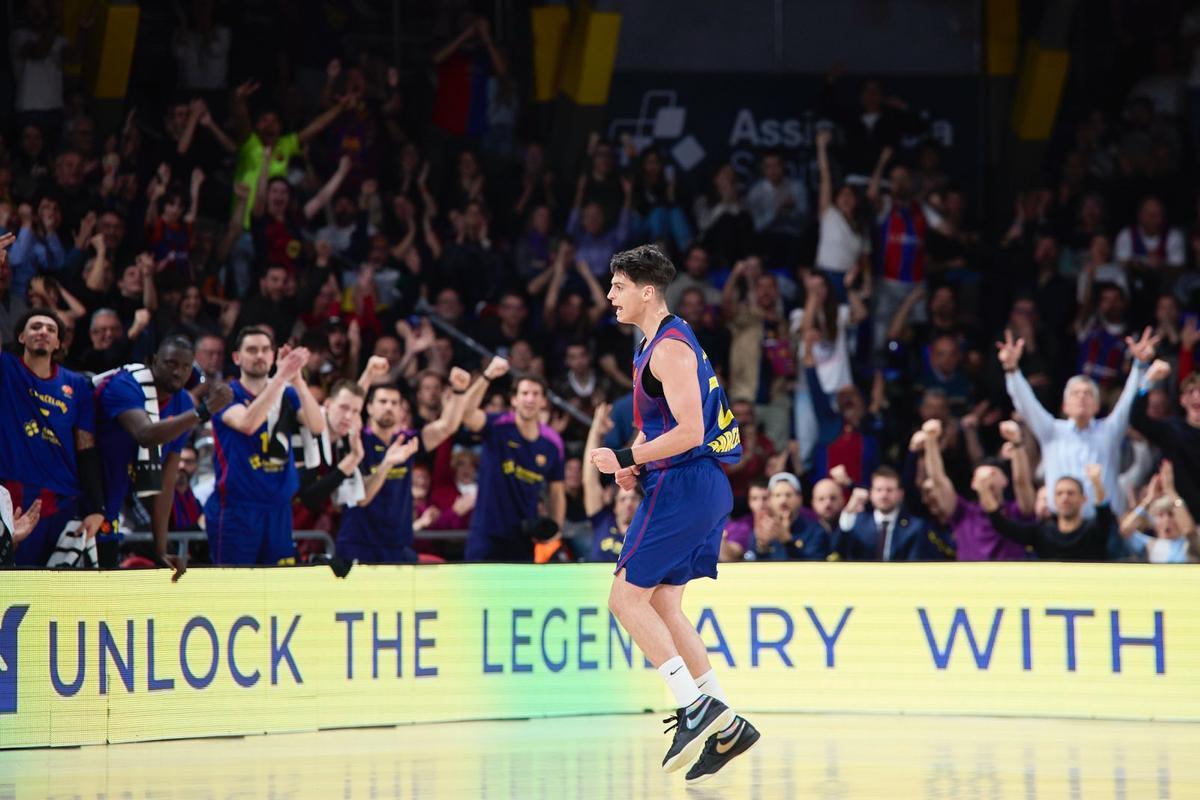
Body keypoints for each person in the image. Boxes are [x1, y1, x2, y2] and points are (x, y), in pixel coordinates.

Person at [588, 245, 758, 784]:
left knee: (624, 597)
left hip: (686, 483)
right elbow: (663, 421)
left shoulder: (668, 349)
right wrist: (634, 460)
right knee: (663, 603)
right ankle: (726, 720)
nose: (610, 295)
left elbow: (690, 431)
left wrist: (626, 456)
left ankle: (692, 704)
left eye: (617, 286)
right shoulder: (657, 344)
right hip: (696, 486)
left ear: (646, 291)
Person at [93, 336, 232, 572]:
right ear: (152, 361)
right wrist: (204, 411)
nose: (178, 372)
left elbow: (166, 482)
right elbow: (145, 434)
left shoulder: (182, 405)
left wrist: (161, 550)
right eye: (171, 364)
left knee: (104, 574)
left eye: (186, 366)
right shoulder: (125, 384)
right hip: (85, 492)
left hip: (115, 498)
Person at [999, 327, 1157, 515]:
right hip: (1060, 527)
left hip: (1103, 529)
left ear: (1097, 406)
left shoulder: (1110, 431)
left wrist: (1139, 364)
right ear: (1065, 406)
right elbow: (1027, 405)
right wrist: (1012, 370)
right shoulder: (1052, 431)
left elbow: (1128, 400)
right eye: (1076, 393)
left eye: (1088, 394)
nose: (1082, 397)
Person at [336, 360, 477, 563]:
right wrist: (368, 374)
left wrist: (458, 391)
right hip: (359, 542)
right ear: (369, 407)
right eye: (383, 402)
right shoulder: (357, 439)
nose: (389, 407)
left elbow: (447, 427)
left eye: (395, 403)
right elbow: (351, 409)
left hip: (397, 544)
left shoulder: (407, 441)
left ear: (402, 410)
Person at [205, 327, 323, 565]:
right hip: (236, 511)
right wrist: (281, 378)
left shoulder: (287, 392)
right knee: (236, 593)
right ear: (237, 357)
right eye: (251, 350)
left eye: (265, 350)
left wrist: (297, 379)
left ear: (273, 355)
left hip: (278, 509)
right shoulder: (225, 394)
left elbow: (317, 426)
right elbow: (248, 423)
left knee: (276, 594)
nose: (259, 355)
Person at [0, 304, 105, 566]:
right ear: (21, 337)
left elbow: (86, 446)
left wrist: (96, 508)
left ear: (58, 342)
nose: (43, 332)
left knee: (59, 590)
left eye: (51, 329)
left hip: (63, 498)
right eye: (35, 327)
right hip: (14, 493)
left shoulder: (77, 385)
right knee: (14, 579)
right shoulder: (5, 369)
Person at [461, 361, 566, 561]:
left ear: (544, 401)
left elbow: (557, 491)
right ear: (514, 400)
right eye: (524, 393)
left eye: (536, 394)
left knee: (518, 592)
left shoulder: (553, 443)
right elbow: (465, 414)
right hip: (486, 532)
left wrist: (555, 530)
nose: (530, 399)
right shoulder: (497, 425)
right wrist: (487, 376)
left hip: (524, 536)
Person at [919, 418, 1033, 561]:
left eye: (993, 473)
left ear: (1005, 480)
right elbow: (938, 480)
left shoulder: (1016, 512)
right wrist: (930, 441)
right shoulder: (963, 513)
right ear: (973, 483)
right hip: (969, 580)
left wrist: (1017, 443)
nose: (987, 478)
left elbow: (1022, 482)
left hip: (1009, 580)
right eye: (980, 475)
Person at [979, 463, 1115, 561]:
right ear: (1053, 500)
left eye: (1071, 493)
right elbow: (1002, 525)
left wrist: (1096, 482)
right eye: (1059, 493)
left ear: (1083, 499)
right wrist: (983, 487)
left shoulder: (1093, 530)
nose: (1065, 497)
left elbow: (1104, 513)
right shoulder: (1042, 532)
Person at [1131, 360, 1200, 511]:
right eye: (1191, 391)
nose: (1197, 396)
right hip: (1176, 516)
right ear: (1182, 400)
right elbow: (1138, 420)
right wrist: (1148, 381)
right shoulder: (1172, 429)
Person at [834, 466, 944, 561]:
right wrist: (848, 511)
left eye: (889, 490)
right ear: (871, 493)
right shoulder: (857, 522)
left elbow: (915, 562)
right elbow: (838, 550)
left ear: (900, 494)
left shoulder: (915, 527)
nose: (884, 495)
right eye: (879, 490)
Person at [582, 403, 641, 562]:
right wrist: (596, 431)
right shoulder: (602, 520)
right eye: (622, 499)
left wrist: (640, 431)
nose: (628, 503)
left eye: (634, 499)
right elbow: (590, 479)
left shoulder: (647, 530)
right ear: (613, 506)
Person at [1118, 461, 1200, 563]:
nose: (1167, 520)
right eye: (1161, 515)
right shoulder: (1150, 545)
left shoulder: (1188, 544)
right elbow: (1125, 530)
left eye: (1171, 515)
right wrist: (1148, 499)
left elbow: (1189, 531)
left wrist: (1171, 492)